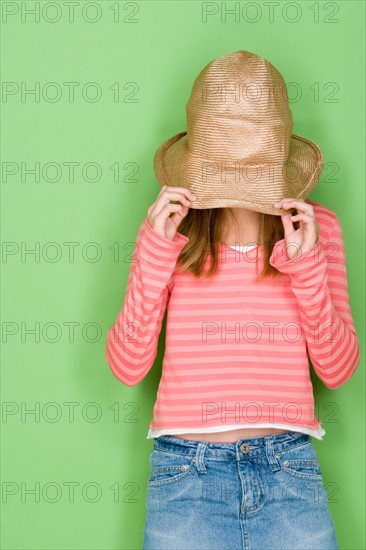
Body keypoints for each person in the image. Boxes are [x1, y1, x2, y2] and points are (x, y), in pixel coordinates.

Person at [105, 51, 360, 549]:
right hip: (185, 476)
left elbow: (338, 369)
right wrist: (156, 253)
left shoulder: (317, 228)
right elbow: (127, 366)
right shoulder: (169, 231)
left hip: (290, 472)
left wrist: (306, 265)